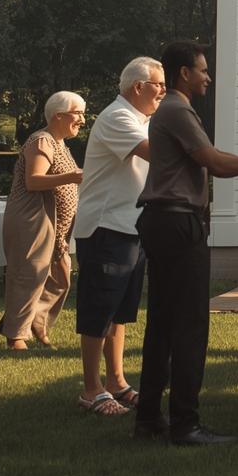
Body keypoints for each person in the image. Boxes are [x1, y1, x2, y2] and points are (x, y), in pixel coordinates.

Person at [133, 41, 238, 447]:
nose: (208, 77)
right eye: (203, 70)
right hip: (179, 223)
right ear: (183, 74)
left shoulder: (170, 110)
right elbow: (213, 161)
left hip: (162, 221)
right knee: (190, 325)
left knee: (162, 324)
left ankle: (149, 419)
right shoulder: (177, 109)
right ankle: (185, 424)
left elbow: (208, 155)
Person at [70, 57, 165, 417]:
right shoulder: (117, 117)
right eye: (159, 85)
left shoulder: (142, 120)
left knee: (120, 312)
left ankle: (117, 382)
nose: (164, 92)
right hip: (106, 227)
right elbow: (157, 154)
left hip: (131, 226)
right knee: (99, 308)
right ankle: (91, 389)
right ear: (139, 87)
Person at [0, 94, 85, 349]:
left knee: (60, 277)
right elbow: (33, 180)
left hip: (56, 226)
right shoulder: (41, 140)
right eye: (77, 113)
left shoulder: (60, 143)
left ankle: (36, 321)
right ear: (58, 115)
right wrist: (72, 176)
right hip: (33, 218)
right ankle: (16, 336)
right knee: (28, 275)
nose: (82, 119)